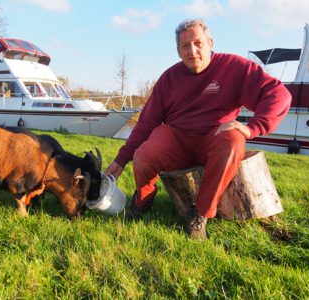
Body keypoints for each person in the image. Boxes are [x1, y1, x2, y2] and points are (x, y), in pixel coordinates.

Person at [105, 19, 291, 239]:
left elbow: (278, 93)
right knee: (145, 152)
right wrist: (120, 160)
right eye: (185, 46)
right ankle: (142, 200)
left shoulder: (233, 67)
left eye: (198, 43)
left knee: (233, 140)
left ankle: (200, 214)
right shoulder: (169, 79)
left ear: (210, 43)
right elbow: (146, 123)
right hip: (178, 141)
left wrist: (253, 128)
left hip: (213, 139)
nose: (192, 51)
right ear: (178, 51)